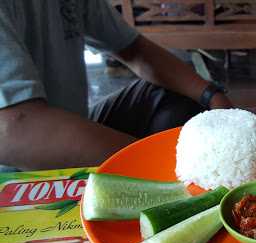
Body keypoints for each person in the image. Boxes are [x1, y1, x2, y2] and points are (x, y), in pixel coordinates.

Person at [0, 0, 232, 171]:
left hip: (76, 119)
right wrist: (164, 163)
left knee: (179, 89)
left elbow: (134, 49)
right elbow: (13, 129)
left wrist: (213, 96)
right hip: (16, 165)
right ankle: (167, 175)